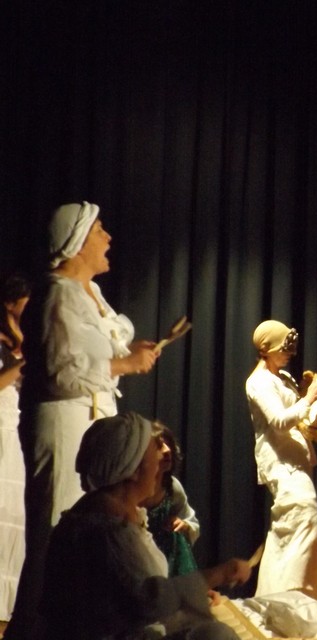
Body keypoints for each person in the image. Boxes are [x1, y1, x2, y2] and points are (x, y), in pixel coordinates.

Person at [6, 201, 161, 639]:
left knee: (93, 527)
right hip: (63, 423)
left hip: (92, 419)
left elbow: (95, 352)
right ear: (76, 243)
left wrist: (129, 356)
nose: (108, 238)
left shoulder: (88, 293)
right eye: (99, 231)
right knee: (57, 526)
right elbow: (59, 370)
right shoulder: (57, 293)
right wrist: (125, 365)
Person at [37, 411, 251, 639]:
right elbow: (147, 602)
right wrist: (216, 575)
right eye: (153, 455)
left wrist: (192, 596)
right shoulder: (106, 530)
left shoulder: (113, 514)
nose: (160, 462)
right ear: (133, 470)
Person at [245, 320, 317, 599]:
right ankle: (287, 594)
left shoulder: (282, 377)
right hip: (280, 460)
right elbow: (280, 422)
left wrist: (305, 392)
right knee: (302, 513)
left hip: (295, 457)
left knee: (291, 522)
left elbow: (296, 414)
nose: (290, 353)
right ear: (265, 349)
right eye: (284, 348)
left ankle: (288, 595)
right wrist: (309, 398)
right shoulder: (259, 382)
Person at [0, 273, 30, 620]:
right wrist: (24, 363)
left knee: (15, 514)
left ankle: (9, 610)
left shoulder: (23, 337)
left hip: (16, 429)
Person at [146, 423, 201, 577]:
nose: (167, 450)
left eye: (168, 444)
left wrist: (184, 525)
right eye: (159, 446)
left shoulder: (172, 487)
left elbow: (190, 521)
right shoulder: (133, 488)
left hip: (168, 558)